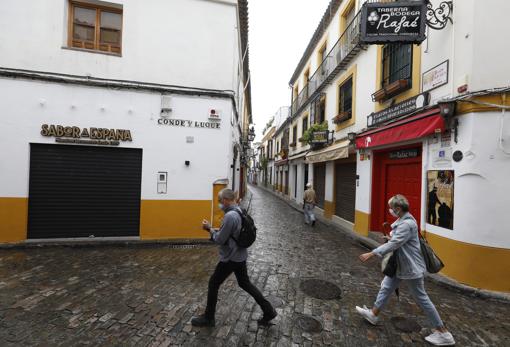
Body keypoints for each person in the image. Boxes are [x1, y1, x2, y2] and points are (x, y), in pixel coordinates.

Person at [355, 195, 455, 346]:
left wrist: (372, 252)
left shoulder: (406, 225)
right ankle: (373, 314)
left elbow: (396, 243)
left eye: (391, 208)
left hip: (410, 267)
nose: (390, 210)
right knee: (386, 287)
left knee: (422, 298)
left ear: (398, 209)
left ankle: (443, 333)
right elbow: (399, 241)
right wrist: (391, 239)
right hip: (401, 266)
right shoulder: (404, 221)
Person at [191, 188, 276, 327]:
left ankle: (209, 318)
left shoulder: (230, 216)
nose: (219, 204)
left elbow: (219, 239)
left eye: (220, 201)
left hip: (230, 258)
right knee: (245, 283)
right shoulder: (240, 210)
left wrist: (209, 229)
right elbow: (232, 233)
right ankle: (268, 310)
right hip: (240, 255)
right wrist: (217, 230)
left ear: (225, 200)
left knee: (213, 283)